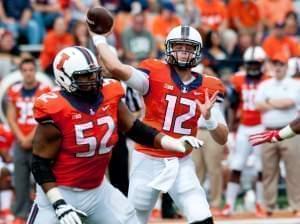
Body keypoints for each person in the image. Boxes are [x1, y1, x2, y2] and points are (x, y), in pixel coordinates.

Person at [26, 46, 203, 224]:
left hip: (97, 191)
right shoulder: (56, 109)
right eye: (84, 76)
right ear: (64, 78)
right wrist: (58, 203)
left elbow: (135, 129)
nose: (92, 80)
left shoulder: (109, 93)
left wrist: (174, 143)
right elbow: (39, 164)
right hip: (60, 191)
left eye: (94, 73)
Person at [90, 24, 229, 224]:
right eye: (179, 46)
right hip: (147, 158)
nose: (183, 52)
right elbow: (115, 68)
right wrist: (99, 38)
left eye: (188, 48)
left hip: (180, 162)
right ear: (169, 48)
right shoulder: (153, 72)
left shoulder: (209, 86)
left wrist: (209, 118)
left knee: (202, 217)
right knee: (136, 218)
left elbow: (222, 138)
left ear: (198, 51)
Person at [249, 53, 300, 215]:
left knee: (294, 170)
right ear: (271, 66)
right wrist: (277, 103)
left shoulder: (295, 84)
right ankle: (269, 206)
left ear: (286, 67)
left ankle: (297, 205)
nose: (278, 67)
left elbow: (289, 103)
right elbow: (257, 105)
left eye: (281, 64)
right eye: (275, 64)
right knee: (268, 170)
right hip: (268, 130)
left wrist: (269, 101)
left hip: (291, 130)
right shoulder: (265, 85)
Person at [221, 46, 267, 217]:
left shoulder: (268, 79)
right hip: (244, 127)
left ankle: (260, 204)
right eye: (250, 64)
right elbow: (232, 104)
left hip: (261, 127)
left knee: (260, 167)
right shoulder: (238, 79)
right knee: (236, 165)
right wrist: (232, 125)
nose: (253, 67)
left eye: (256, 64)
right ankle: (229, 204)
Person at [6, 58, 51, 224]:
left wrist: (29, 138)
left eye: (31, 69)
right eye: (24, 70)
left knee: (41, 180)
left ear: (36, 70)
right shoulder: (14, 90)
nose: (28, 73)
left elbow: (45, 117)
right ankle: (20, 214)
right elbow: (11, 117)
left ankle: (41, 212)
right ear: (20, 72)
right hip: (20, 141)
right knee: (20, 179)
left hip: (39, 141)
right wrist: (21, 137)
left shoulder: (45, 90)